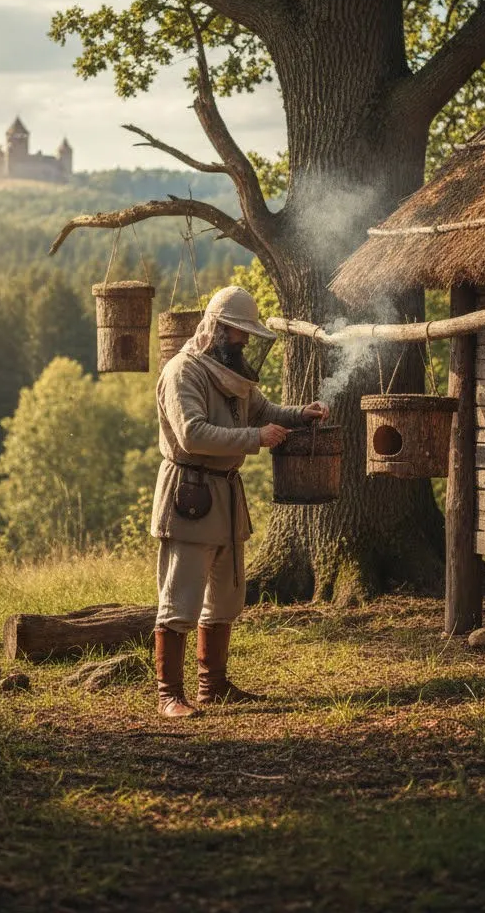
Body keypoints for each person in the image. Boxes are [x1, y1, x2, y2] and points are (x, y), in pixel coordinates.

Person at [151, 285, 329, 718]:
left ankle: (214, 686)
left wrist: (298, 415)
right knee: (180, 599)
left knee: (225, 598)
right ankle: (169, 695)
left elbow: (262, 410)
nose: (244, 340)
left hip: (227, 495)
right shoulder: (183, 372)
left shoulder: (232, 372)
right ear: (216, 328)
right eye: (237, 332)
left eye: (247, 333)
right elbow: (192, 433)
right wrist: (255, 439)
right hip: (189, 494)